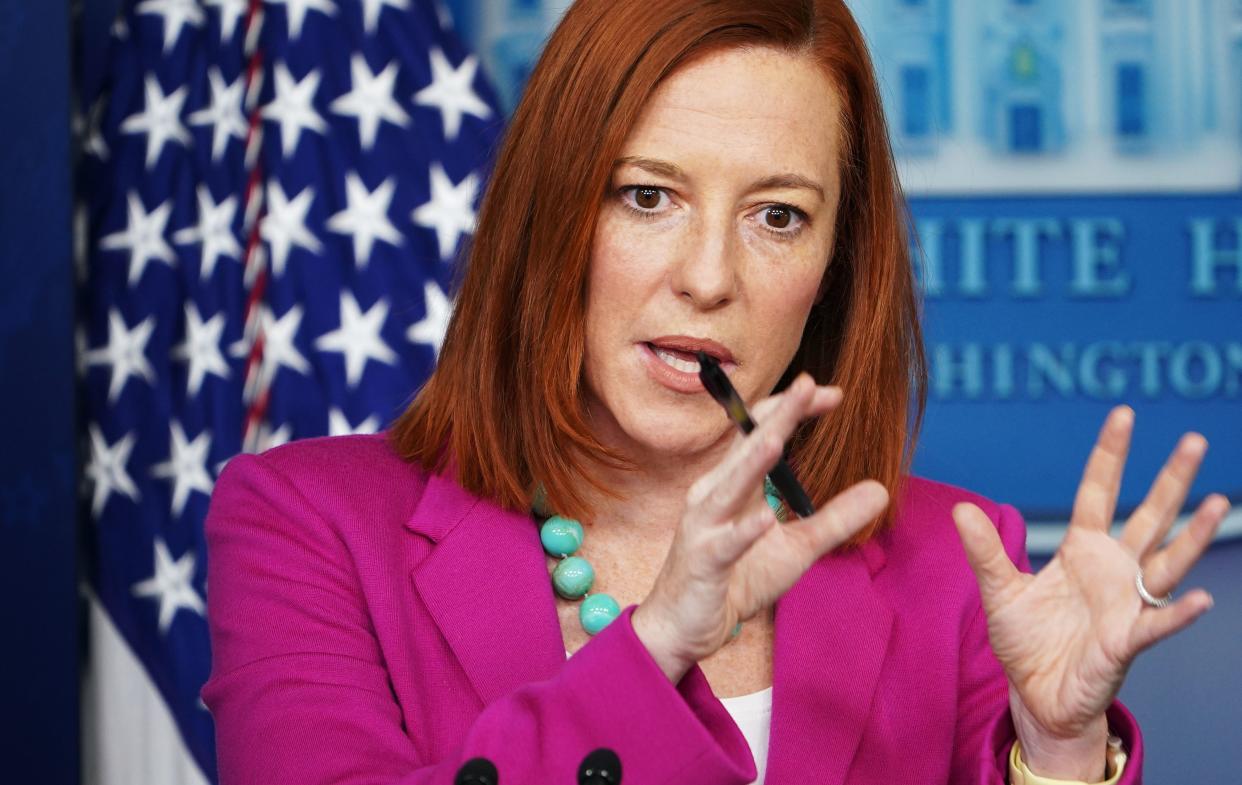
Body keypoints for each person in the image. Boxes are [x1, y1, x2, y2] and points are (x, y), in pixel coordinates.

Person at [201, 2, 1229, 783]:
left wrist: (1053, 748)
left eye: (777, 216)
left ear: (835, 260)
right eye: (648, 196)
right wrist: (653, 649)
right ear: (549, 214)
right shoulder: (307, 524)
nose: (708, 276)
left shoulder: (958, 564)